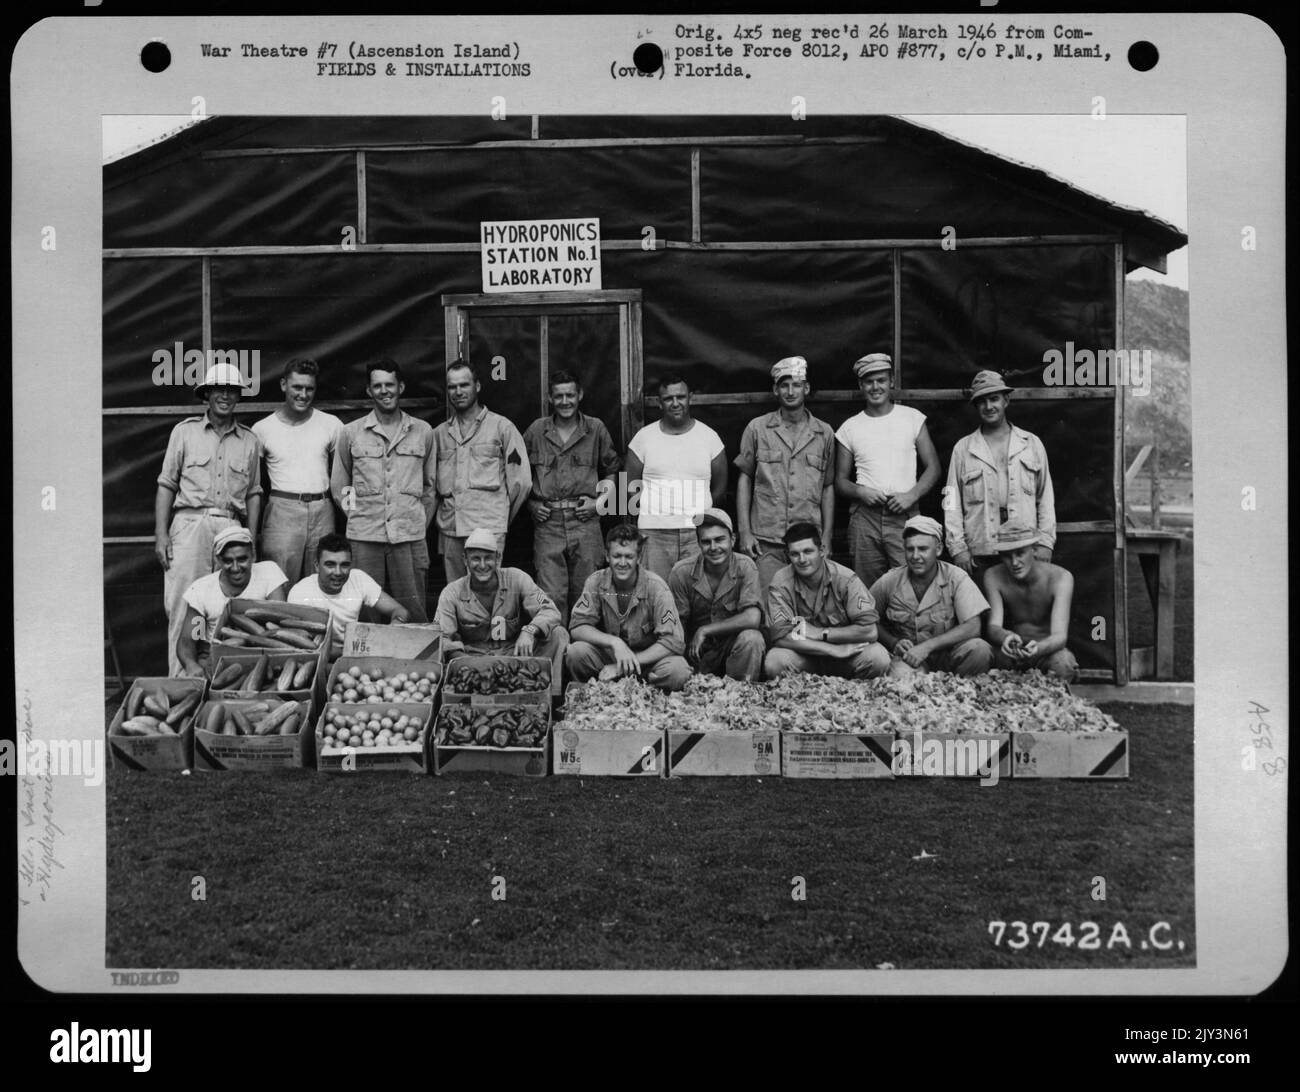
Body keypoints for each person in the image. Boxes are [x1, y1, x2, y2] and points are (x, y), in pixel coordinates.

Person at [155, 362, 264, 676]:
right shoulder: (185, 432)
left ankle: (218, 684)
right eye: (219, 390)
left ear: (239, 396)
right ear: (207, 394)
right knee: (184, 607)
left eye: (232, 390)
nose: (226, 396)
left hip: (231, 525)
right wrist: (161, 534)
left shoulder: (249, 440)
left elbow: (254, 492)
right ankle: (182, 684)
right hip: (190, 526)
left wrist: (250, 537)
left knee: (226, 608)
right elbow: (166, 484)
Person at [330, 359, 438, 622]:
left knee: (413, 609)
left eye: (389, 384)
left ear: (400, 386)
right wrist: (362, 516)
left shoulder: (422, 432)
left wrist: (413, 522)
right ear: (369, 390)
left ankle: (416, 662)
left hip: (409, 537)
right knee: (366, 611)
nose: (384, 391)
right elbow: (340, 487)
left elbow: (430, 488)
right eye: (377, 386)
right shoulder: (351, 433)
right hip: (365, 538)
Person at [521, 370, 620, 626]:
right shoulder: (536, 431)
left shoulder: (595, 428)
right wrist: (532, 504)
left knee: (587, 593)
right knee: (551, 596)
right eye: (559, 396)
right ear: (550, 398)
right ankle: (557, 656)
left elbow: (612, 470)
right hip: (548, 524)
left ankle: (583, 656)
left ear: (580, 395)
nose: (565, 401)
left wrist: (599, 505)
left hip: (585, 521)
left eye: (570, 395)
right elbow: (518, 475)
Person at [834, 352, 940, 589]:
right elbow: (840, 481)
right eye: (869, 381)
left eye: (881, 380)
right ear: (861, 385)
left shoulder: (912, 418)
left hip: (904, 512)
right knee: (868, 589)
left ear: (891, 381)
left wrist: (911, 496)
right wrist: (861, 492)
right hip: (866, 517)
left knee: (912, 583)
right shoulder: (849, 428)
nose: (875, 387)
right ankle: (873, 628)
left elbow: (933, 468)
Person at [944, 369, 1056, 589]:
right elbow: (951, 502)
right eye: (982, 401)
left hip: (1024, 547)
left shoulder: (1031, 444)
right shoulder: (963, 449)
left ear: (1006, 400)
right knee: (985, 616)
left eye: (994, 398)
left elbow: (1045, 497)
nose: (989, 406)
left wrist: (1045, 542)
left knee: (1022, 615)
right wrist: (958, 548)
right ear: (976, 406)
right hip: (981, 551)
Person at [734, 356, 837, 594]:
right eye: (784, 385)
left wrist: (828, 537)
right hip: (766, 541)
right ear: (775, 390)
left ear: (807, 388)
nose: (791, 391)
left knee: (809, 605)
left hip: (808, 540)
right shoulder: (757, 428)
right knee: (768, 607)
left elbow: (828, 487)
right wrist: (745, 532)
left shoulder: (824, 433)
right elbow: (744, 479)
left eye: (797, 384)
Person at [432, 358, 532, 583]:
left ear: (477, 386)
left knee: (488, 593)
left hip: (488, 531)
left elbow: (521, 483)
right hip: (451, 530)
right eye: (452, 387)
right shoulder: (439, 434)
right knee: (456, 595)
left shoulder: (501, 428)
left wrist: (498, 519)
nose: (458, 391)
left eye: (464, 385)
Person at [565, 522, 692, 691]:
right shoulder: (595, 581)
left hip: (647, 662)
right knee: (576, 652)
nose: (622, 563)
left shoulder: (657, 588)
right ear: (607, 556)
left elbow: (672, 642)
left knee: (678, 670)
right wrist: (615, 643)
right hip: (611, 657)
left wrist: (628, 663)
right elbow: (578, 626)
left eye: (629, 557)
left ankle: (650, 698)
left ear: (638, 558)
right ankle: (593, 695)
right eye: (617, 556)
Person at [624, 374, 727, 581]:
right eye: (668, 399)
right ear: (659, 403)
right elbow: (630, 487)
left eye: (680, 397)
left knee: (697, 595)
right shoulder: (644, 438)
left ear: (690, 398)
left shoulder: (709, 437)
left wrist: (701, 516)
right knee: (656, 595)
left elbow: (721, 487)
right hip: (654, 534)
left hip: (697, 534)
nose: (675, 403)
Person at [252, 358, 344, 586]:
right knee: (279, 583)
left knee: (321, 584)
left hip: (323, 510)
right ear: (284, 385)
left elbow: (346, 479)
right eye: (297, 387)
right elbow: (253, 486)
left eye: (309, 388)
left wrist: (352, 513)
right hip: (282, 511)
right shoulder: (262, 429)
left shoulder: (332, 424)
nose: (303, 394)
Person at [869, 516, 994, 678]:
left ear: (939, 549)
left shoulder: (956, 577)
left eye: (922, 549)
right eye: (910, 549)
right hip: (909, 658)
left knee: (980, 649)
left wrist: (928, 646)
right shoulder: (890, 581)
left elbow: (973, 626)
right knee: (901, 678)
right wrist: (893, 642)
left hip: (948, 654)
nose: (915, 556)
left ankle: (963, 695)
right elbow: (867, 619)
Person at [434, 527, 568, 677]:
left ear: (498, 558)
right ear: (465, 560)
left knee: (558, 633)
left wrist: (529, 631)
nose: (483, 565)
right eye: (476, 558)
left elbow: (549, 610)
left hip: (517, 656)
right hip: (473, 661)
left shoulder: (517, 578)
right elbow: (441, 637)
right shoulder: (451, 592)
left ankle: (551, 696)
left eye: (488, 558)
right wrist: (465, 661)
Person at [763, 521, 890, 680]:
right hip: (805, 656)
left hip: (846, 655)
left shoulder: (846, 579)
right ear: (788, 556)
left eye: (808, 551)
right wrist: (830, 649)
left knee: (878, 657)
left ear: (821, 550)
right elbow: (782, 637)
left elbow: (870, 631)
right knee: (775, 660)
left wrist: (822, 633)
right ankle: (799, 697)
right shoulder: (781, 582)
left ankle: (857, 696)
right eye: (795, 554)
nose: (802, 559)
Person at [667, 508, 765, 681]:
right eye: (706, 542)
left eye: (720, 540)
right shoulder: (681, 572)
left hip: (731, 650)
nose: (713, 548)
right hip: (694, 652)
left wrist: (705, 630)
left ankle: (740, 695)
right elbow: (676, 626)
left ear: (733, 539)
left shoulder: (745, 566)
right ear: (698, 544)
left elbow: (752, 618)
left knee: (752, 639)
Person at [175, 527, 287, 678]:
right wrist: (191, 665)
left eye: (242, 559)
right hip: (215, 656)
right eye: (228, 561)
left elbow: (277, 623)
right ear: (218, 560)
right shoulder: (201, 590)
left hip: (262, 653)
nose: (235, 568)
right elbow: (189, 639)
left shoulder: (269, 573)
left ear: (253, 556)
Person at [287, 532, 412, 658]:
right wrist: (359, 651)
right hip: (319, 658)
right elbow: (301, 644)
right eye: (330, 565)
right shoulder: (300, 593)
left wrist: (392, 629)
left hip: (356, 653)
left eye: (344, 565)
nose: (338, 572)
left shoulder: (358, 578)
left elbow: (400, 611)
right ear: (317, 566)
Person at [984, 524, 1078, 681]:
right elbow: (993, 626)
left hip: (1046, 653)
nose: (1014, 562)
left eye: (1020, 553)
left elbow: (1060, 636)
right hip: (1010, 653)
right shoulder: (993, 576)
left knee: (1064, 663)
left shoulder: (1061, 577)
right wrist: (1005, 637)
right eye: (1007, 555)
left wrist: (1039, 648)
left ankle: (1055, 703)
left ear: (1034, 549)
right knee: (982, 657)